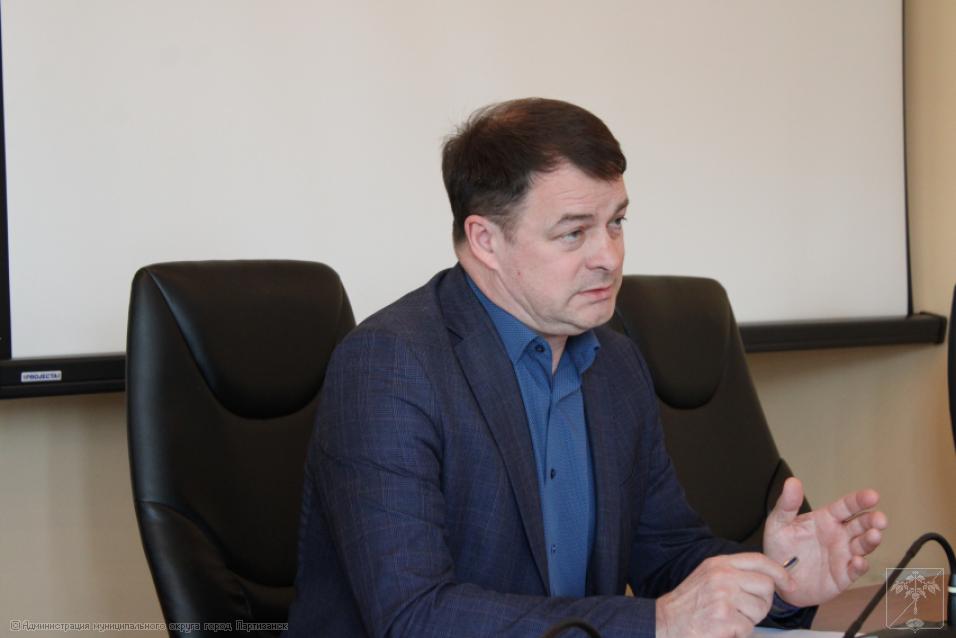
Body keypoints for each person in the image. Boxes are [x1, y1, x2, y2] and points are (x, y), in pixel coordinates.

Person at [285, 98, 888, 637]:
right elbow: (414, 616)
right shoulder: (390, 366)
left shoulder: (615, 361)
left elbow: (665, 554)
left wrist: (777, 578)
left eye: (616, 222)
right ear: (486, 239)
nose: (609, 257)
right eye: (574, 233)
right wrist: (657, 623)